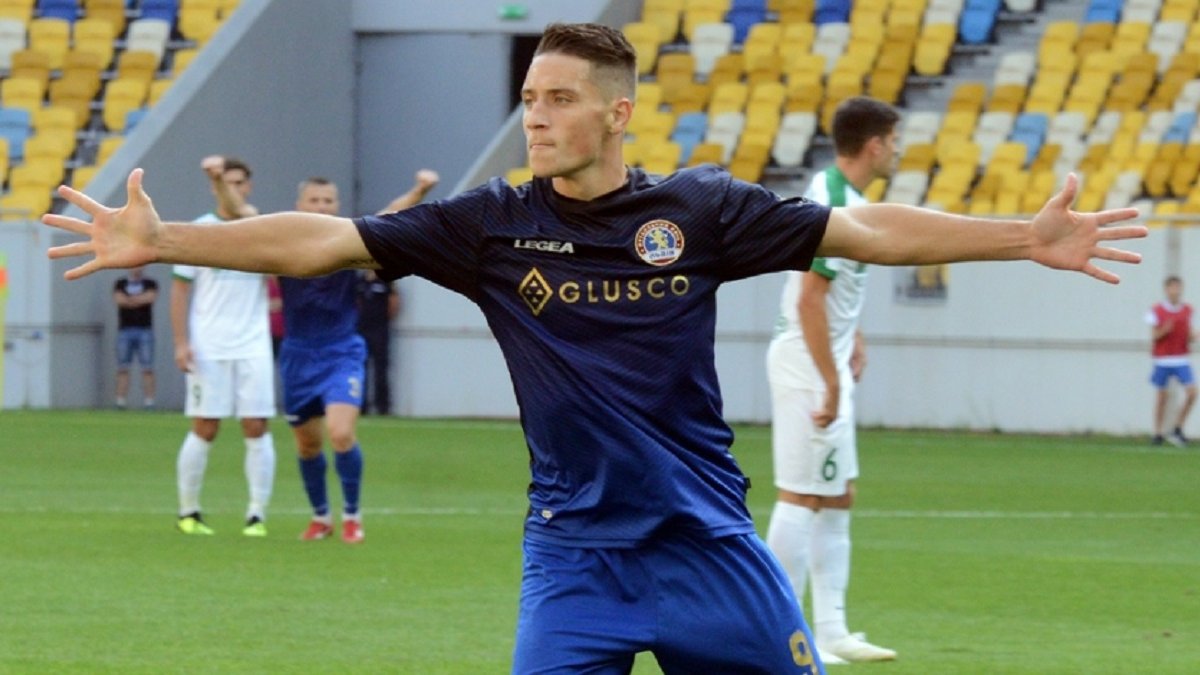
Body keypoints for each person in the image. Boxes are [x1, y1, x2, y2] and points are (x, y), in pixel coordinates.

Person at [44, 22, 1144, 674]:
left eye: (560, 100)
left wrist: (1023, 236)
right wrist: (171, 237)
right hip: (574, 558)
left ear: (616, 114)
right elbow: (325, 241)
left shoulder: (702, 210)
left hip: (709, 546)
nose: (535, 117)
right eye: (528, 98)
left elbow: (865, 232)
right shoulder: (488, 223)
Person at [765, 96, 900, 665]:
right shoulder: (832, 202)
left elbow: (834, 292)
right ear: (874, 145)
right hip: (807, 363)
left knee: (838, 492)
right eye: (893, 141)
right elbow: (809, 299)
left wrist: (855, 337)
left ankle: (832, 630)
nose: (896, 151)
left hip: (825, 360)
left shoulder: (847, 198)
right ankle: (776, 629)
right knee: (801, 494)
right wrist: (831, 380)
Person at [282, 172, 436, 543]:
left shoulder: (347, 244)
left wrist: (419, 190)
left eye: (328, 201)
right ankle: (321, 517)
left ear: (337, 206)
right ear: (299, 206)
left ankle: (352, 515)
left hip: (341, 351)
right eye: (314, 200)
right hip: (298, 356)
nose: (322, 207)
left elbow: (388, 217)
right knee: (307, 444)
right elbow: (241, 222)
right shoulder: (283, 247)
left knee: (340, 433)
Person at [169, 155, 276, 537]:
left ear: (249, 186)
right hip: (208, 344)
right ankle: (189, 511)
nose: (235, 189)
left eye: (240, 182)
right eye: (227, 182)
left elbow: (272, 272)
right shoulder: (199, 230)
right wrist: (181, 342)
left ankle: (257, 514)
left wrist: (217, 180)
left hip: (253, 343)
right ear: (216, 187)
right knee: (205, 425)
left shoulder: (257, 226)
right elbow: (180, 290)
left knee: (256, 424)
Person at [357, 169, 440, 415]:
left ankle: (383, 406)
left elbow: (394, 302)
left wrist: (419, 192)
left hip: (380, 328)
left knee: (382, 366)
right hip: (359, 328)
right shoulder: (356, 279)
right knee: (361, 367)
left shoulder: (386, 278)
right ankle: (361, 406)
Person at [1147, 275, 1196, 446]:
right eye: (1172, 287)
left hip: (1181, 358)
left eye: (1178, 287)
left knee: (1192, 393)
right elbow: (1154, 335)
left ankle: (1177, 427)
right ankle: (1157, 433)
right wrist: (1165, 330)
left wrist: (1193, 336)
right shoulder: (1157, 310)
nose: (1175, 291)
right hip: (1163, 359)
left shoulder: (1188, 310)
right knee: (1162, 397)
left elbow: (1190, 335)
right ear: (1166, 289)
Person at [113, 265, 158, 409]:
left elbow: (150, 297)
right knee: (123, 367)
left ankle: (149, 401)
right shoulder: (120, 283)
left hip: (145, 330)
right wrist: (139, 300)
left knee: (147, 367)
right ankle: (120, 401)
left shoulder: (150, 283)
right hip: (125, 330)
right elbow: (119, 300)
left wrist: (130, 300)